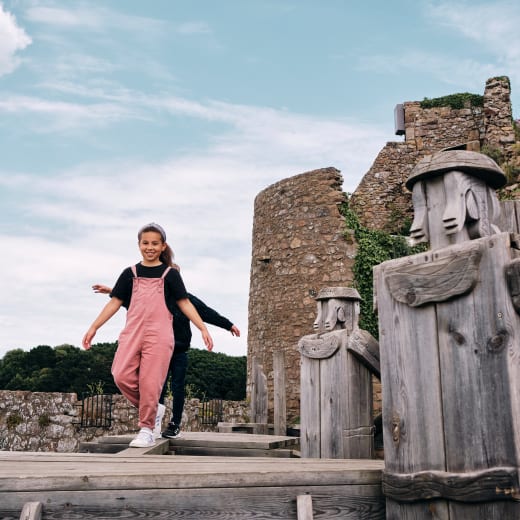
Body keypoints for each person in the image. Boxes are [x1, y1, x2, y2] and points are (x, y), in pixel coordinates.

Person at [82, 223, 213, 448]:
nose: (149, 247)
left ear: (162, 246)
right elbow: (115, 302)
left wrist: (202, 327)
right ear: (139, 245)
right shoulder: (129, 273)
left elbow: (184, 302)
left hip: (160, 335)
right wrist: (94, 327)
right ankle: (154, 408)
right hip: (132, 333)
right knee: (120, 374)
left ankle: (146, 429)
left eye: (154, 243)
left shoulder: (170, 275)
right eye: (145, 243)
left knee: (150, 382)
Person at [93, 267, 240, 439]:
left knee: (177, 387)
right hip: (158, 350)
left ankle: (174, 424)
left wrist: (228, 325)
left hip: (179, 351)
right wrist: (112, 290)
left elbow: (207, 313)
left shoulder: (187, 299)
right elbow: (130, 299)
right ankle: (153, 423)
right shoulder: (154, 298)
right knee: (156, 387)